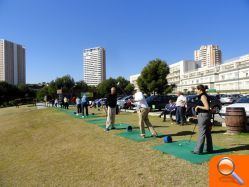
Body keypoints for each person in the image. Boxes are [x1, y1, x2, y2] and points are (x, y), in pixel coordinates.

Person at [192, 85, 213, 155]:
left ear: (200, 90)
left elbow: (207, 107)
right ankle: (209, 149)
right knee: (207, 133)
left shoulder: (203, 96)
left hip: (203, 115)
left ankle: (198, 150)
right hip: (206, 115)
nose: (195, 90)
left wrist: (198, 106)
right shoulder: (205, 95)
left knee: (202, 133)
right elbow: (209, 108)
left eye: (196, 89)